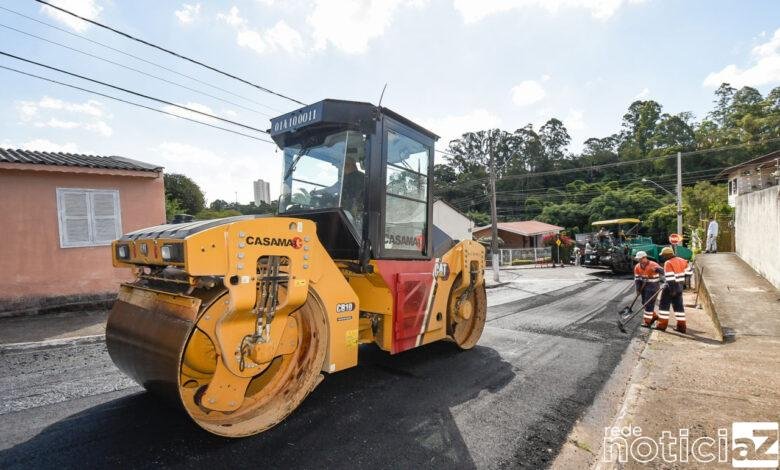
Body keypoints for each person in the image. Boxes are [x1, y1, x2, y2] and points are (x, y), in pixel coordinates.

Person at [656, 246, 693, 333]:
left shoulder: (668, 263)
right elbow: (689, 273)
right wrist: (683, 283)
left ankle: (661, 325)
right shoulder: (682, 260)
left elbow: (670, 278)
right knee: (679, 307)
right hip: (680, 287)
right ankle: (681, 327)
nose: (663, 257)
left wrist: (672, 290)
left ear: (667, 255)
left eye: (664, 255)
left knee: (664, 307)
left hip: (670, 288)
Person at [633, 251, 663, 328]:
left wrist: (665, 281)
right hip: (644, 286)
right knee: (644, 302)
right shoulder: (637, 267)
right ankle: (654, 316)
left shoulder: (653, 265)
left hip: (653, 286)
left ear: (644, 258)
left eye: (640, 259)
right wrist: (638, 290)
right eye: (638, 259)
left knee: (648, 304)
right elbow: (637, 279)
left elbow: (664, 272)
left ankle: (647, 322)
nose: (639, 260)